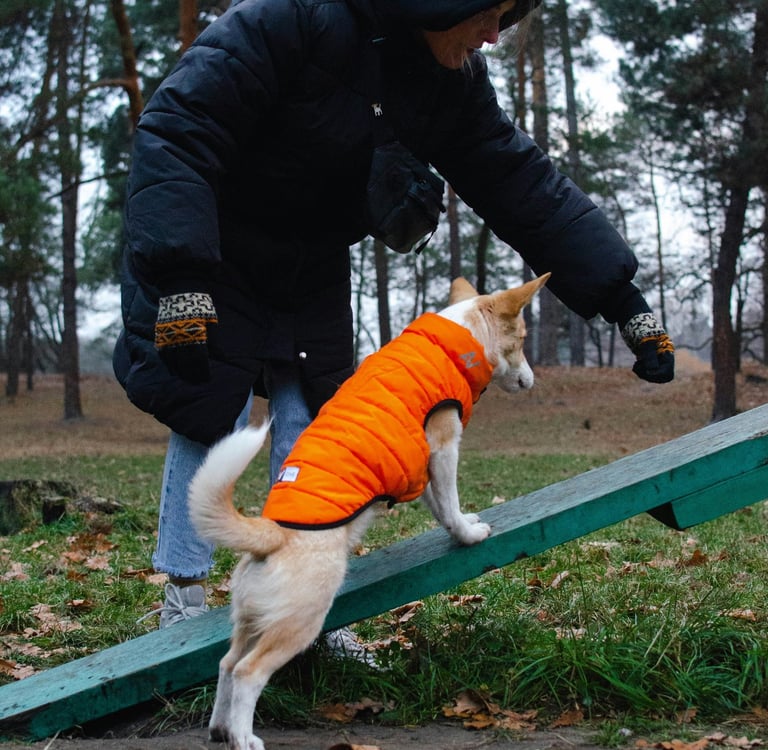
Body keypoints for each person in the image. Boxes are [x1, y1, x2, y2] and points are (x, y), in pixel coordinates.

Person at [113, 0, 674, 634]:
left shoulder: (450, 82)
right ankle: (182, 606)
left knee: (318, 423)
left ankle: (303, 602)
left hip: (309, 263)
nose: (494, 35)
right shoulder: (292, 18)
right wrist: (182, 279)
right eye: (490, 14)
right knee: (208, 407)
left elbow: (522, 182)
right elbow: (179, 128)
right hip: (212, 247)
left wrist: (624, 302)